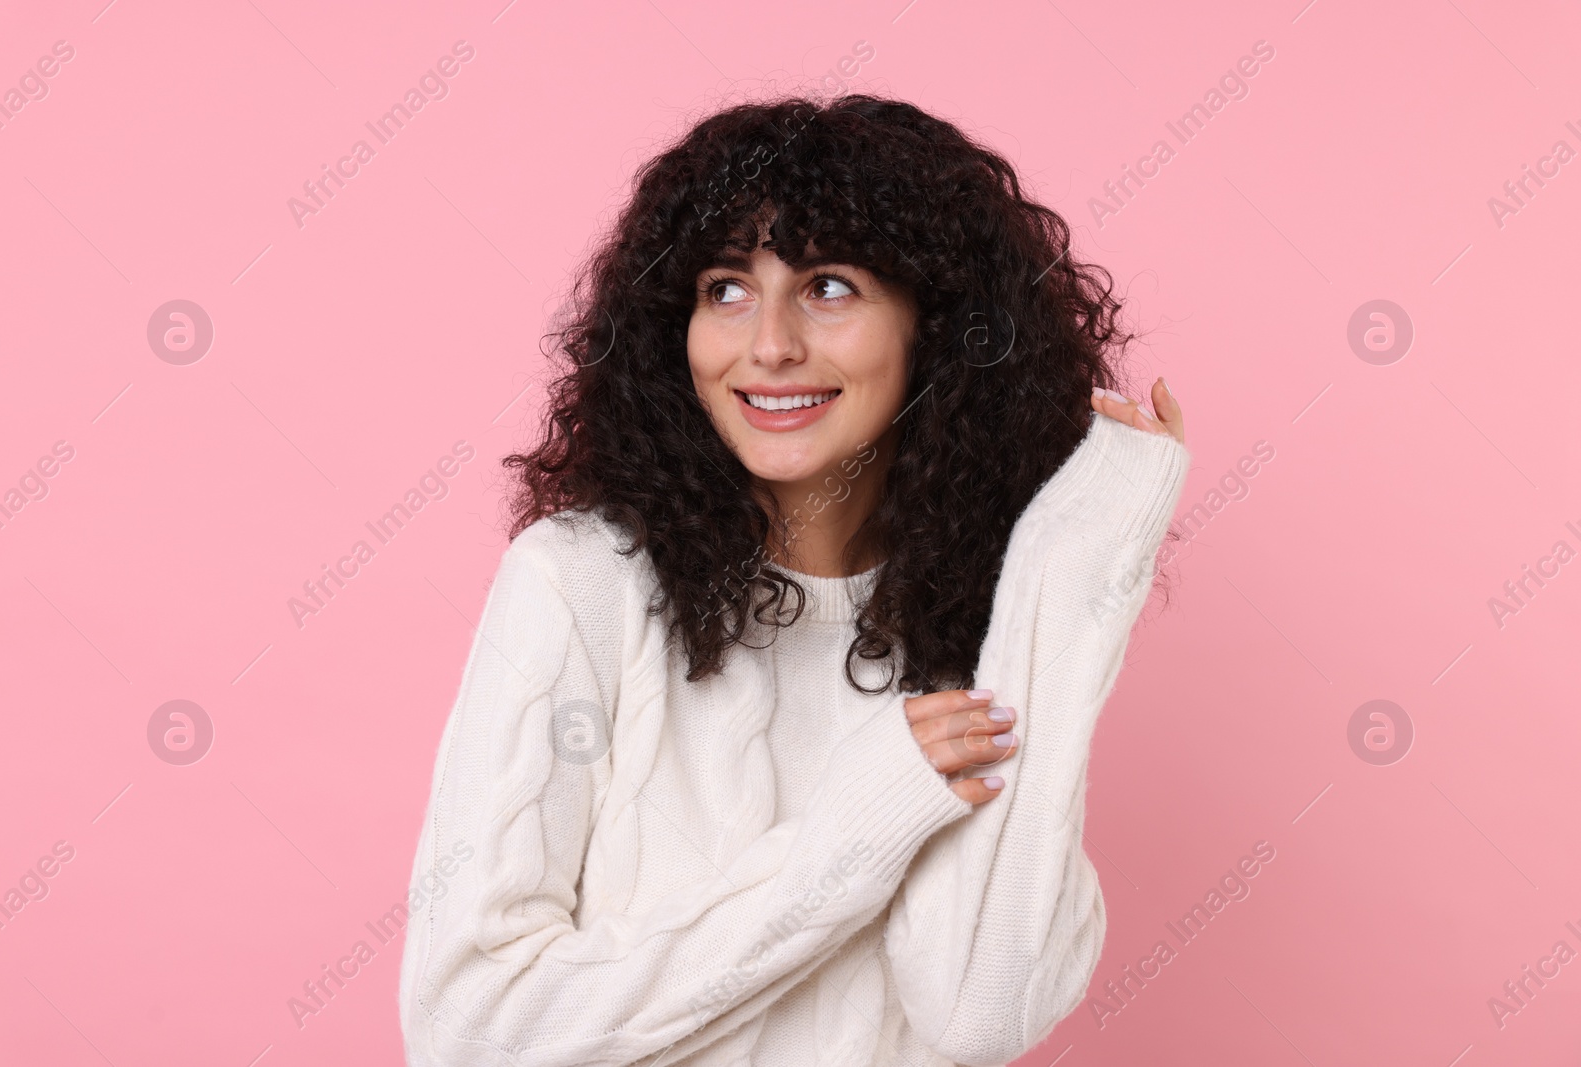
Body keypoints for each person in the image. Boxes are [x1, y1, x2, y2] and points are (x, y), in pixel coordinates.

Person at [399, 93, 1188, 1067]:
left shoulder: (979, 616)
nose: (767, 343)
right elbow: (468, 1028)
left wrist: (1066, 578)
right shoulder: (579, 584)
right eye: (725, 288)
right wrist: (849, 833)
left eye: (828, 287)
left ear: (932, 329)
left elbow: (977, 1013)